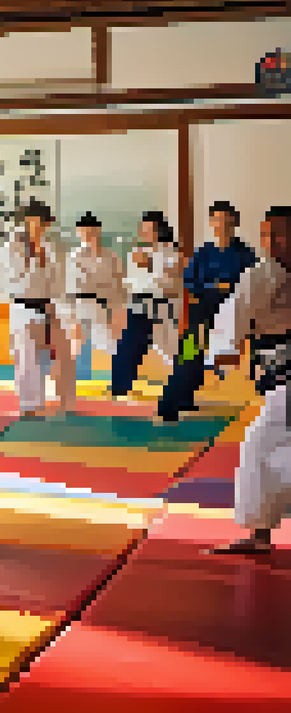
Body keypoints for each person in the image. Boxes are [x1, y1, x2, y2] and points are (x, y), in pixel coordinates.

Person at [203, 207, 291, 555]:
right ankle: (259, 534)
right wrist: (224, 352)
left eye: (280, 234)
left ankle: (259, 535)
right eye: (266, 235)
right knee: (262, 443)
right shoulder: (260, 276)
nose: (272, 243)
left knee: (261, 442)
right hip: (279, 366)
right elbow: (234, 314)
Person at [159, 201, 257, 421]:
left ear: (235, 223)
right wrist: (213, 287)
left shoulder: (246, 255)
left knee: (216, 356)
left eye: (227, 221)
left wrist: (228, 287)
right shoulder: (203, 252)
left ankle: (188, 395)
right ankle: (174, 402)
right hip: (203, 308)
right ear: (212, 223)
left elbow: (253, 283)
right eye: (217, 220)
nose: (221, 225)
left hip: (232, 312)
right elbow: (190, 281)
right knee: (190, 353)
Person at [0, 201, 74, 417]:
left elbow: (55, 280)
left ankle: (49, 399)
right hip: (23, 306)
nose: (42, 228)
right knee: (26, 357)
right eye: (39, 222)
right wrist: (32, 261)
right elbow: (7, 282)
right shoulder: (11, 247)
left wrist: (56, 305)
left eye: (45, 224)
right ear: (28, 221)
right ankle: (28, 404)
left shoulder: (46, 246)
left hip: (46, 306)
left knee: (47, 357)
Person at [110, 211, 184, 401]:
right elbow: (132, 281)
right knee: (128, 346)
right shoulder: (136, 252)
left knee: (175, 349)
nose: (145, 233)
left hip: (165, 304)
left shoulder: (172, 251)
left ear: (159, 230)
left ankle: (183, 390)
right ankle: (120, 389)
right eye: (143, 229)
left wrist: (150, 265)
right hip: (139, 302)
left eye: (149, 229)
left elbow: (171, 281)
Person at [61, 213, 126, 381]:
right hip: (79, 302)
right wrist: (70, 315)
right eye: (84, 232)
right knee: (76, 345)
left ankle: (116, 380)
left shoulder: (110, 256)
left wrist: (116, 310)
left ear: (98, 231)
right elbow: (71, 286)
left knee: (110, 343)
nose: (88, 236)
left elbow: (117, 285)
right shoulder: (74, 256)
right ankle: (73, 380)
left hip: (102, 304)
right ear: (78, 233)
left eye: (91, 232)